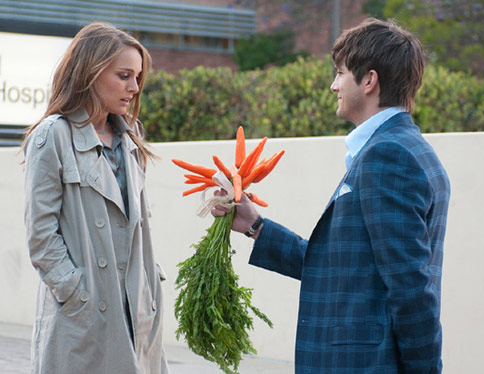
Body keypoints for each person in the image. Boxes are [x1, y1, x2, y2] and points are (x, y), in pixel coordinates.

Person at [213, 18, 450, 374]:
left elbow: (411, 288)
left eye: (340, 73)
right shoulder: (398, 149)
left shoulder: (389, 156)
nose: (332, 85)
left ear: (369, 81)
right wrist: (255, 226)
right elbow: (340, 267)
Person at [23, 22, 168, 374]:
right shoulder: (52, 136)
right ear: (91, 72)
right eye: (124, 75)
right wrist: (76, 293)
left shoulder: (130, 139)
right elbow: (41, 236)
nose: (134, 88)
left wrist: (148, 281)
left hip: (136, 310)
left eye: (137, 77)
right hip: (84, 316)